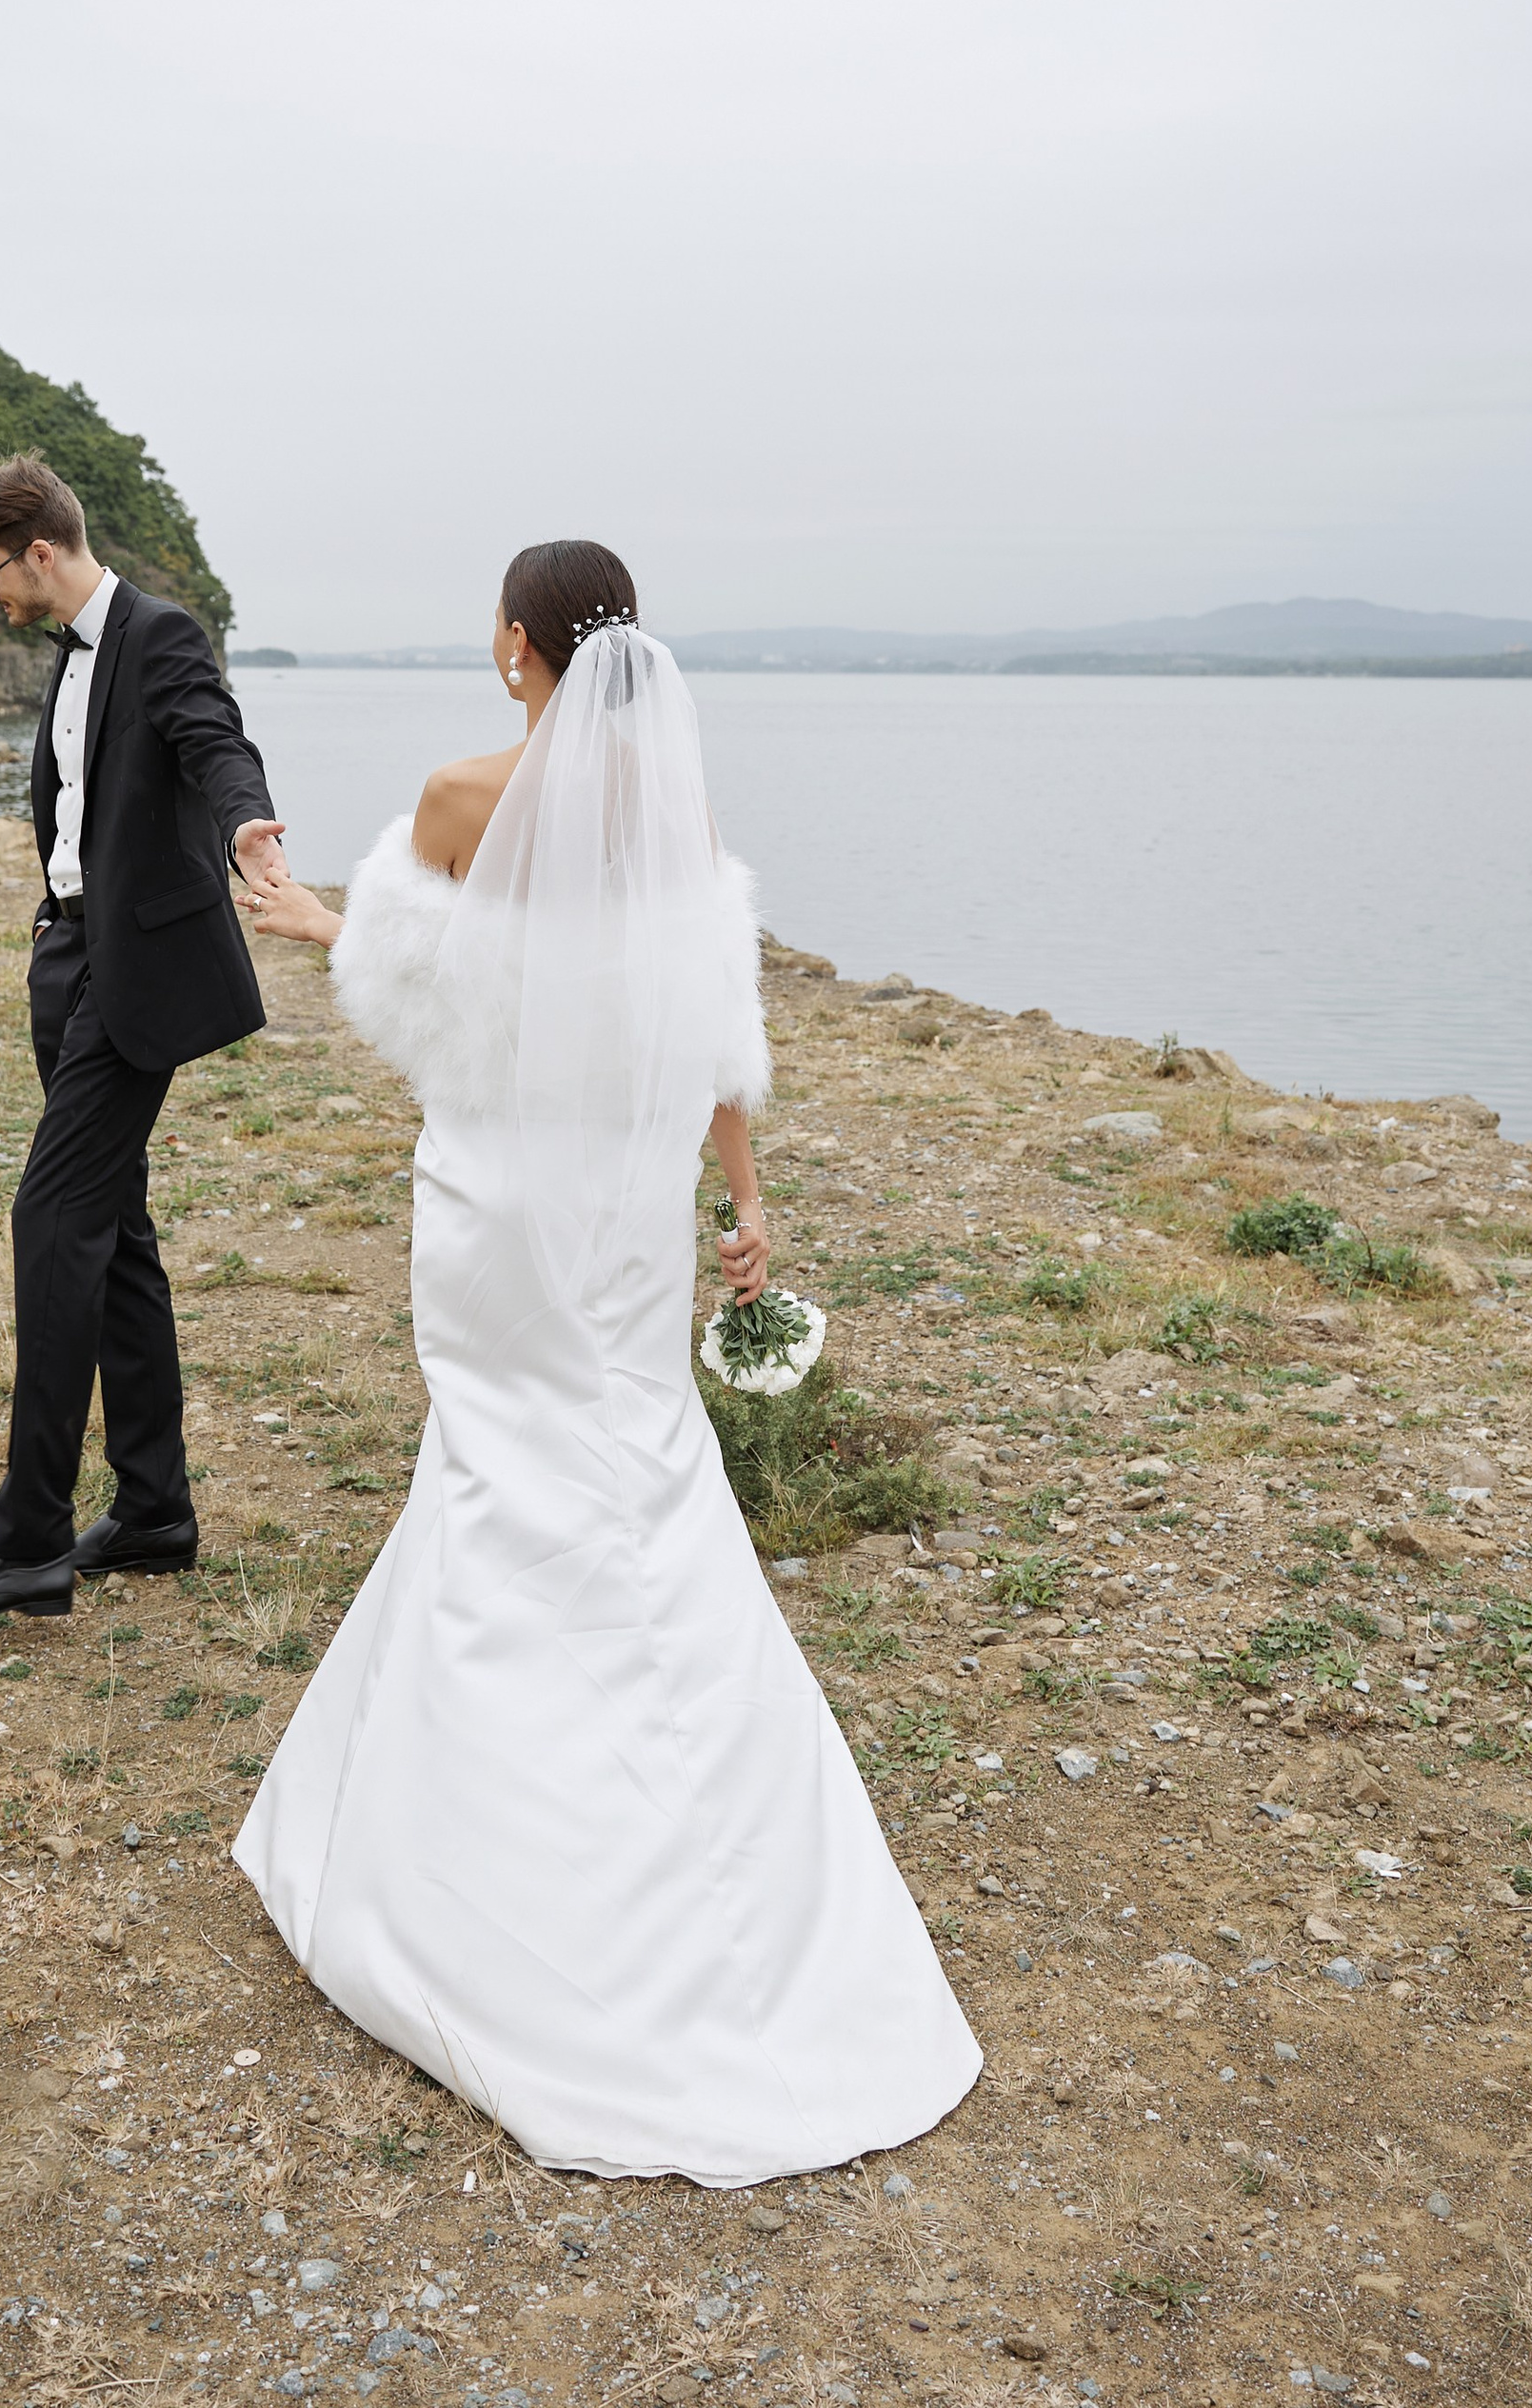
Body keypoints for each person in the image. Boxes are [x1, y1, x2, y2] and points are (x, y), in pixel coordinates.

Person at [230, 538, 980, 2182]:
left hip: (499, 1207)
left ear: (515, 644)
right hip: (631, 1221)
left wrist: (303, 917)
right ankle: (700, 1841)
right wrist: (750, 1205)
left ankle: (491, 1881)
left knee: (499, 1471)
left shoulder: (453, 797)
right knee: (638, 1466)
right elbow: (708, 1035)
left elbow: (432, 1008)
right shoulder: (682, 821)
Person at [0, 454, 286, 1628]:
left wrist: (248, 824)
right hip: (68, 961)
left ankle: (27, 1542)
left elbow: (214, 740)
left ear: (41, 553)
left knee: (52, 1220)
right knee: (112, 1228)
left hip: (134, 975)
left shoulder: (158, 635)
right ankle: (154, 1509)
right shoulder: (66, 656)